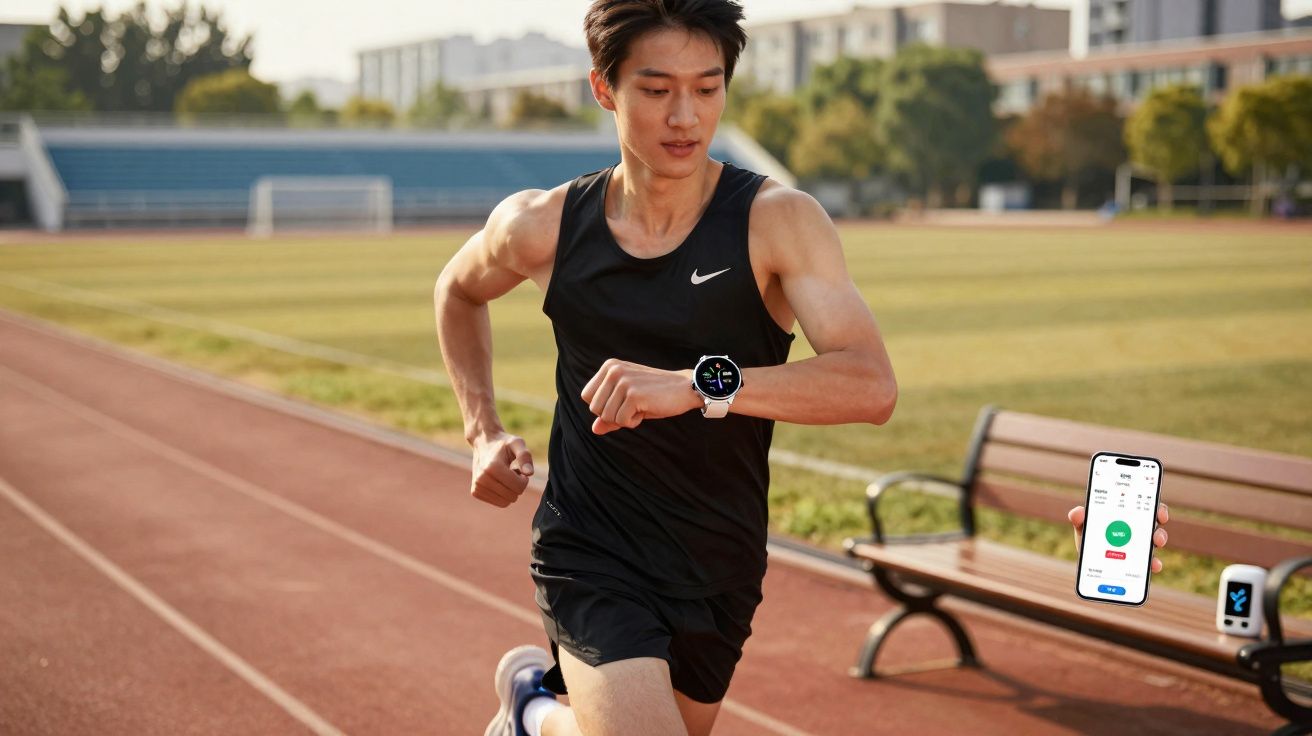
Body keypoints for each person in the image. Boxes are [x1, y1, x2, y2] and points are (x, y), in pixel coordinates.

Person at [434, 2, 1169, 734]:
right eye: (656, 91)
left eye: (708, 87)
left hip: (718, 555)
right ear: (604, 88)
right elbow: (458, 290)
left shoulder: (777, 223)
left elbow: (870, 384)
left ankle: (532, 712)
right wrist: (482, 431)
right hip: (590, 545)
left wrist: (696, 387)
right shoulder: (543, 226)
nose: (685, 116)